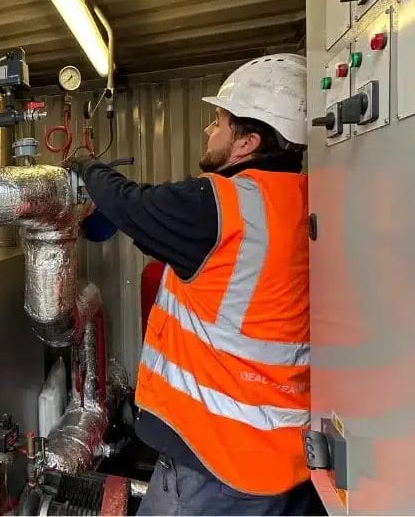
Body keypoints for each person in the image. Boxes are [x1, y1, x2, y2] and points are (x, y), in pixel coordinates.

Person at [67, 54, 314, 515]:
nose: (208, 130)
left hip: (216, 463)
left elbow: (128, 203)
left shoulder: (222, 205)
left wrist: (86, 166)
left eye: (218, 121)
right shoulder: (304, 199)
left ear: (247, 142)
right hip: (286, 455)